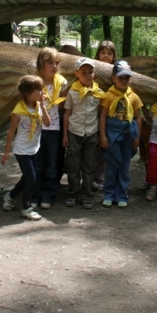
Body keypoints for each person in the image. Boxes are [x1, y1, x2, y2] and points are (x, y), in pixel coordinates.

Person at [1, 75, 51, 220]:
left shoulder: (38, 106)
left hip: (34, 147)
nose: (42, 92)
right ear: (29, 93)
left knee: (28, 177)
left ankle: (10, 196)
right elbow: (11, 131)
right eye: (39, 90)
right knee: (32, 178)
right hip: (22, 149)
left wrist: (43, 106)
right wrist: (6, 151)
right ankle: (26, 207)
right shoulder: (19, 110)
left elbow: (47, 123)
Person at [99, 60, 143, 208]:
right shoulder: (108, 95)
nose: (124, 81)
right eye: (121, 77)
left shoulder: (134, 97)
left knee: (124, 166)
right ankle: (109, 194)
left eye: (127, 78)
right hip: (112, 134)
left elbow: (138, 117)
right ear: (114, 78)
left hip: (127, 135)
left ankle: (122, 195)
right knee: (111, 166)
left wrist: (137, 136)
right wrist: (103, 136)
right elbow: (103, 116)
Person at [63, 57, 105, 209]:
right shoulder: (72, 92)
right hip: (74, 133)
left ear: (94, 74)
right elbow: (67, 113)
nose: (87, 75)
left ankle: (86, 194)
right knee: (73, 165)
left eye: (90, 72)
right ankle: (73, 193)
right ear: (77, 74)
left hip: (91, 133)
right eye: (84, 72)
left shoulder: (99, 93)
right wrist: (65, 135)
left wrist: (101, 135)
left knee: (89, 166)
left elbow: (101, 115)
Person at [35, 47, 68, 209]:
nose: (54, 66)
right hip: (35, 130)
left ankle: (48, 194)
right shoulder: (35, 82)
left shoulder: (62, 83)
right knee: (37, 163)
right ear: (41, 64)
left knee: (51, 164)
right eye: (50, 63)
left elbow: (63, 106)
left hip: (53, 129)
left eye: (56, 63)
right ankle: (35, 193)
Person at [93, 40, 117, 191]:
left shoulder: (117, 72)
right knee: (95, 149)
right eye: (103, 53)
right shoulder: (92, 69)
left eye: (109, 53)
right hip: (94, 113)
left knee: (107, 147)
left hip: (111, 116)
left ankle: (104, 178)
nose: (106, 56)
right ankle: (94, 178)